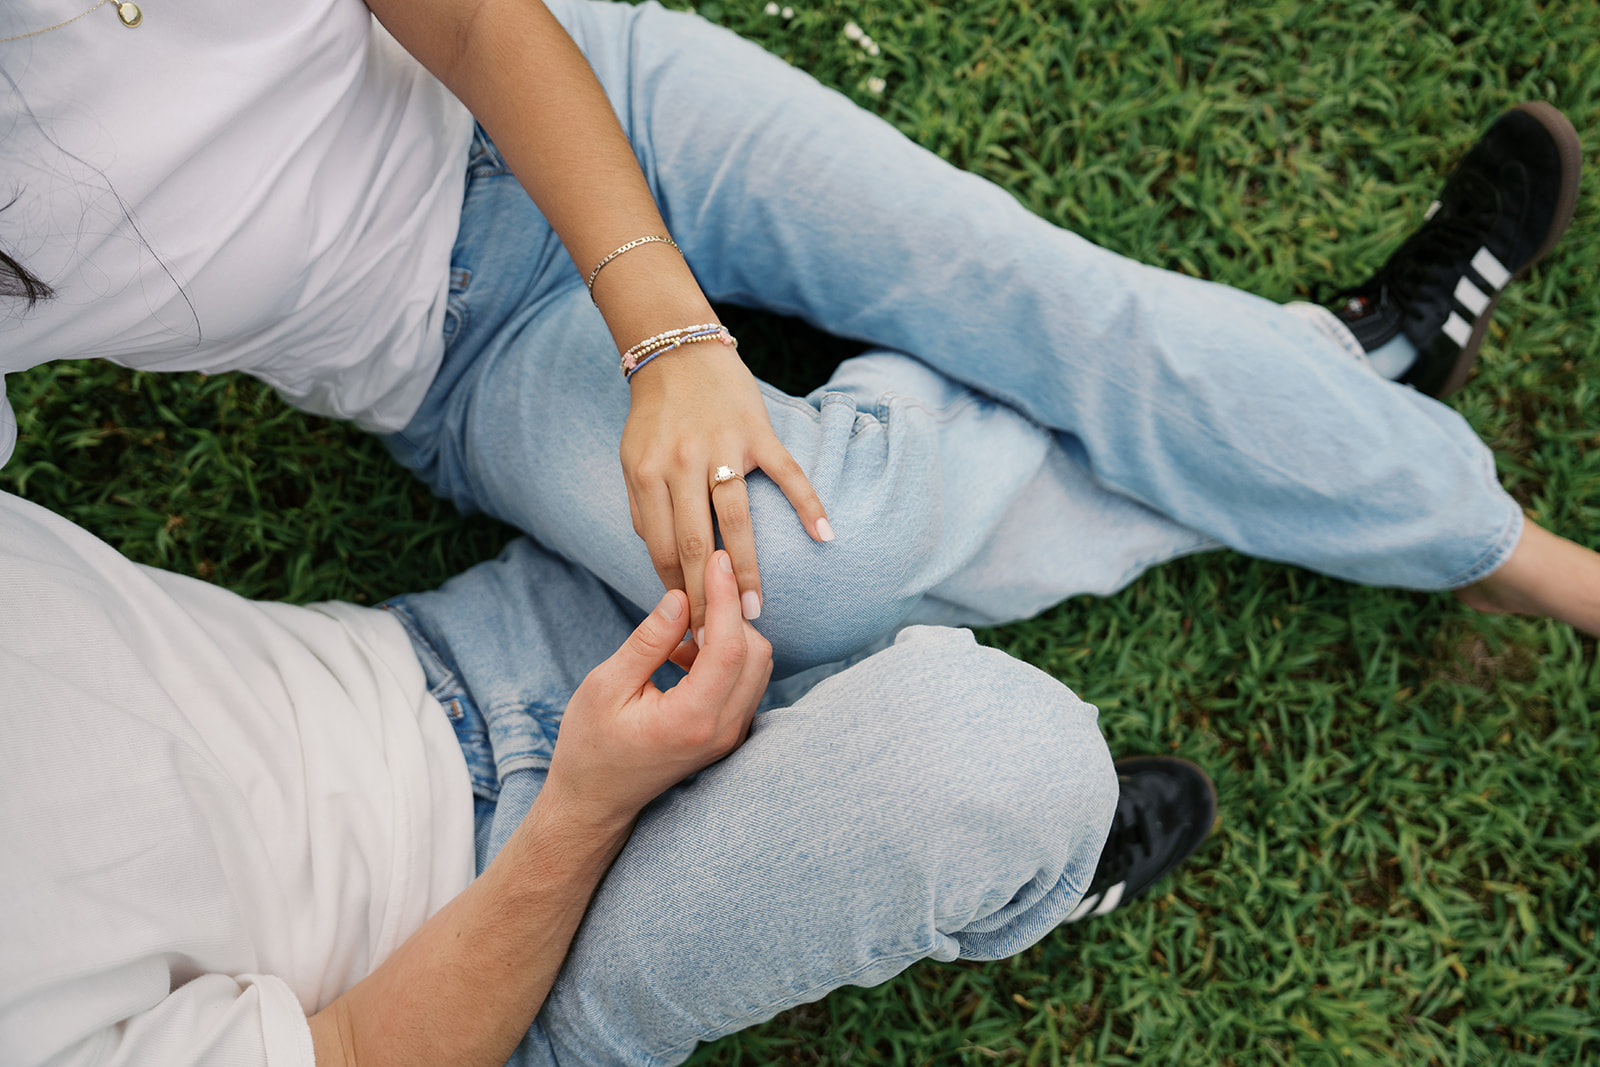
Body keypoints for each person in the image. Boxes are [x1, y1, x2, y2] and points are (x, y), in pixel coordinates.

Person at [2, 0, 1596, 681]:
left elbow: (482, 20)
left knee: (1036, 298)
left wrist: (671, 327)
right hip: (445, 354)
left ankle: (1534, 566)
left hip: (581, 108)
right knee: (825, 569)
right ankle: (1346, 380)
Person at [0, 486, 1217, 1066]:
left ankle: (1309, 391)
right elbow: (367, 1053)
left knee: (837, 500)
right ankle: (1031, 870)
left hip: (457, 648)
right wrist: (589, 799)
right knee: (1003, 766)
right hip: (486, 960)